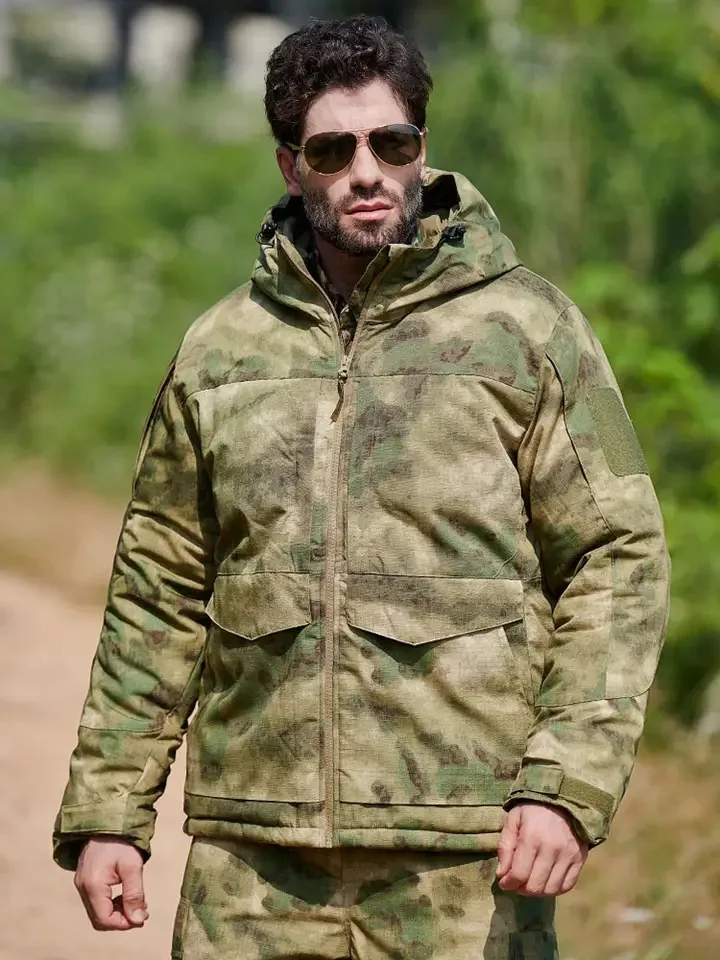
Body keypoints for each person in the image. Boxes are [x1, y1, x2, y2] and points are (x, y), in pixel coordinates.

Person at [53, 15, 670, 960]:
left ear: (422, 145)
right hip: (251, 862)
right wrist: (109, 811)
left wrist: (565, 786)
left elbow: (617, 558)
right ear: (290, 166)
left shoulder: (529, 330)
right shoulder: (220, 351)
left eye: (393, 141)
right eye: (332, 150)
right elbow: (157, 591)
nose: (367, 171)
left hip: (464, 859)